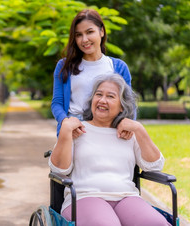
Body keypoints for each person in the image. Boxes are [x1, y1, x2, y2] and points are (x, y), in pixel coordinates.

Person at [49, 74, 170, 226]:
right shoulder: (76, 130)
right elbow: (58, 169)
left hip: (126, 197)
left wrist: (139, 129)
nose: (102, 100)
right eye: (98, 94)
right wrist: (65, 131)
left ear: (122, 106)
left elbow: (155, 165)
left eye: (110, 96)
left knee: (156, 223)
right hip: (84, 197)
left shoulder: (129, 133)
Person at [51, 8, 132, 138]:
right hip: (75, 130)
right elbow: (57, 103)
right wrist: (67, 123)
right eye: (78, 35)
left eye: (89, 32)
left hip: (109, 129)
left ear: (101, 31)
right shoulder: (64, 66)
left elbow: (128, 104)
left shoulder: (118, 67)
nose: (84, 39)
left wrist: (128, 125)